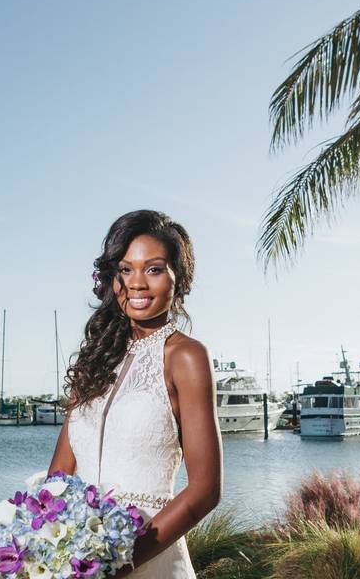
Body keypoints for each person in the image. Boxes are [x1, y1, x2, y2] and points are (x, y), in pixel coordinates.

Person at [49, 209, 222, 578]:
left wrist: (118, 565)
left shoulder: (187, 356)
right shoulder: (95, 359)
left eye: (154, 269)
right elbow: (59, 478)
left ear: (181, 278)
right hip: (79, 564)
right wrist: (46, 548)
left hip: (148, 559)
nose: (137, 283)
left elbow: (205, 490)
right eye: (126, 269)